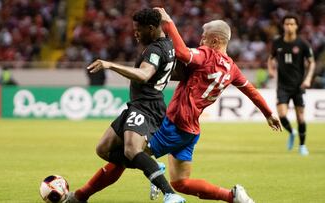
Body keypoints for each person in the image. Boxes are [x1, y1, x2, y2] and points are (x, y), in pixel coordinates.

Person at [145, 8, 282, 203]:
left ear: (215, 41)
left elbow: (183, 52)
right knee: (181, 182)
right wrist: (268, 114)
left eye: (204, 38)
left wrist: (168, 24)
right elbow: (251, 90)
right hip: (191, 130)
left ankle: (87, 193)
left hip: (176, 122)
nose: (201, 42)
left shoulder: (206, 55)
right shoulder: (232, 68)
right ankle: (232, 196)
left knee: (133, 154)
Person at [64, 8, 185, 203]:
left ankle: (170, 194)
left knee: (131, 150)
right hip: (138, 105)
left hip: (147, 106)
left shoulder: (155, 50)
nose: (135, 33)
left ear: (152, 28)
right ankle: (151, 168)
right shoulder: (168, 44)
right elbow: (172, 72)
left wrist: (110, 65)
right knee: (103, 149)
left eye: (139, 30)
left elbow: (145, 74)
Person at [267, 13, 316, 156]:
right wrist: (271, 70)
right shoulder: (277, 43)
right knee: (281, 115)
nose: (289, 26)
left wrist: (308, 79)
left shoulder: (303, 44)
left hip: (298, 86)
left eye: (292, 24)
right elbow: (271, 58)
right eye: (286, 24)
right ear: (283, 26)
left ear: (296, 26)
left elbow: (312, 62)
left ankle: (302, 146)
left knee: (300, 117)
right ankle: (292, 132)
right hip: (282, 85)